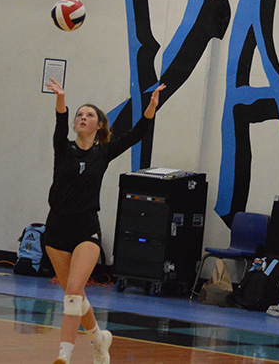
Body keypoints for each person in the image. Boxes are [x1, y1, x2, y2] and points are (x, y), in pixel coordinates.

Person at [43, 77, 165, 364]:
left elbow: (137, 133)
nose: (82, 118)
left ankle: (64, 356)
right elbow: (60, 122)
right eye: (79, 115)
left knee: (73, 294)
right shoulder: (63, 149)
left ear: (100, 126)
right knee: (77, 295)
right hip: (56, 228)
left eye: (89, 115)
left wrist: (151, 106)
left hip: (86, 229)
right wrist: (61, 98)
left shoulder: (103, 152)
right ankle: (99, 339)